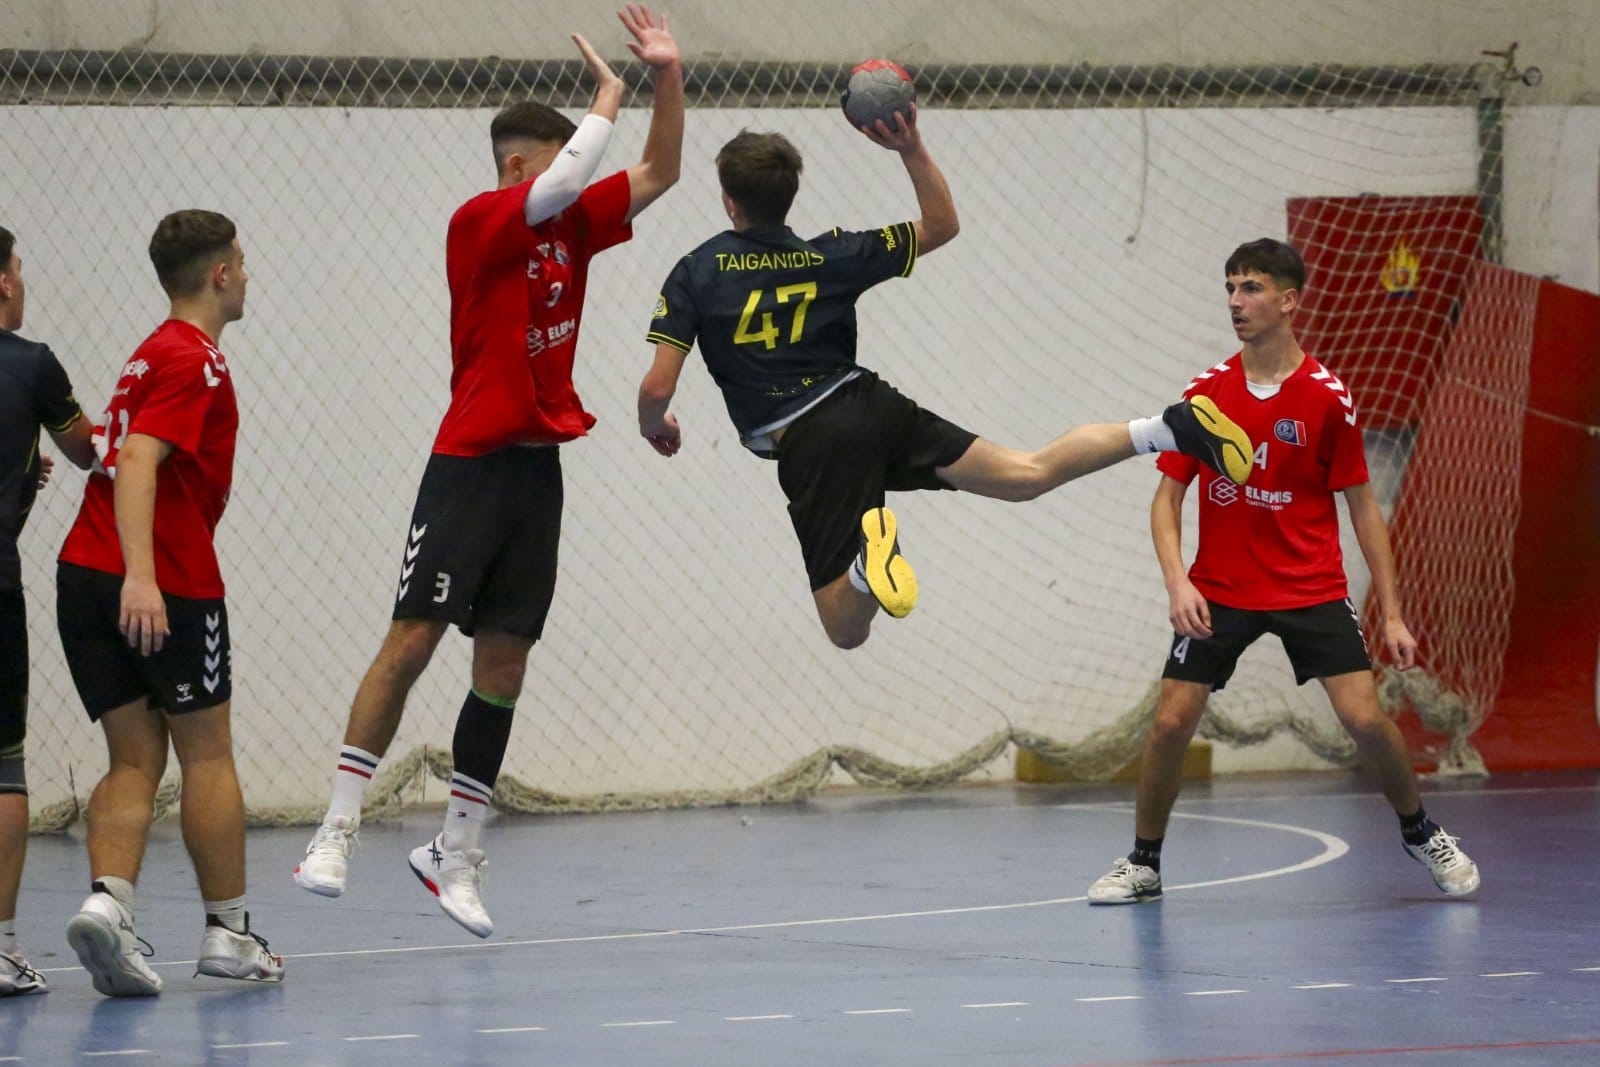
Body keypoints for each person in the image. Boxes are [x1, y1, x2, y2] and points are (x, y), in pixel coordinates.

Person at [293, 4, 684, 939]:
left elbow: (661, 171)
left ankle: (455, 850)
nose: (566, 179)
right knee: (413, 641)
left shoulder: (572, 224)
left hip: (536, 474)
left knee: (503, 665)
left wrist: (666, 77)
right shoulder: (480, 221)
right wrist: (606, 97)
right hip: (466, 465)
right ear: (518, 169)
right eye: (550, 166)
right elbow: (567, 179)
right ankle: (337, 827)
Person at [636, 120, 1254, 649]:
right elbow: (941, 223)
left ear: (730, 201)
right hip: (870, 403)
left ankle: (865, 568)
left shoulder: (697, 271)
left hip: (811, 439)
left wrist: (653, 424)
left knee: (845, 630)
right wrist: (909, 145)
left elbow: (659, 388)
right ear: (789, 195)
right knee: (1026, 474)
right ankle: (1167, 427)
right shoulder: (833, 254)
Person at [1086, 238, 1479, 905]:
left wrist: (1391, 612)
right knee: (1171, 722)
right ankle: (1144, 863)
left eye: (1252, 288)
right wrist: (1178, 582)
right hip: (1221, 590)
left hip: (1310, 587)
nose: (1236, 302)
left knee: (1365, 719)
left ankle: (1421, 831)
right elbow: (1167, 499)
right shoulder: (1206, 394)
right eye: (1230, 288)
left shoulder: (1328, 398)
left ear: (1289, 300)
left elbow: (1363, 508)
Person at [55, 209, 284, 996]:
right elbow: (139, 461)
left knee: (133, 757)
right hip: (164, 580)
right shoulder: (197, 361)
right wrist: (143, 576)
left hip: (82, 571)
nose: (247, 275)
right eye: (241, 263)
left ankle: (108, 905)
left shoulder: (150, 353)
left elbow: (108, 448)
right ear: (219, 274)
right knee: (207, 754)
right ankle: (230, 932)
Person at [0, 226, 96, 997]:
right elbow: (89, 450)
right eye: (20, 270)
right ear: (4, 282)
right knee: (4, 766)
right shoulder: (32, 365)